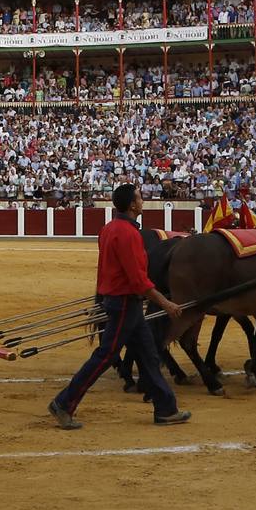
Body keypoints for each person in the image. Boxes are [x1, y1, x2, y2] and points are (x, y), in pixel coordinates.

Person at [48, 183, 189, 430]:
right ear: (132, 205)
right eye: (140, 198)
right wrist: (166, 303)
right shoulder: (129, 233)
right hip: (125, 303)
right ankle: (64, 402)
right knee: (105, 356)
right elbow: (138, 281)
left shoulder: (110, 228)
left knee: (149, 354)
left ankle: (166, 408)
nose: (142, 201)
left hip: (121, 302)